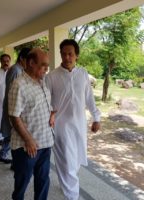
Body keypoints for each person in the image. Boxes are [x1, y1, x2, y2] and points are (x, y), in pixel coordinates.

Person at [45, 39, 101, 200]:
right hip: (60, 126)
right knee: (67, 162)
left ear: (76, 55)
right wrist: (50, 115)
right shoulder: (52, 77)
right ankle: (73, 196)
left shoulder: (83, 74)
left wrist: (96, 118)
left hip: (79, 124)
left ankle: (66, 185)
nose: (66, 57)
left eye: (70, 54)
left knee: (75, 161)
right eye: (63, 54)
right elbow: (46, 101)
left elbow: (89, 98)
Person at [8, 48, 54, 200]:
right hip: (26, 147)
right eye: (43, 65)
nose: (47, 69)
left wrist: (51, 114)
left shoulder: (42, 82)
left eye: (47, 65)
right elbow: (14, 116)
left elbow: (41, 105)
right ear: (31, 63)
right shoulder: (19, 85)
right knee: (22, 184)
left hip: (45, 142)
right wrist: (28, 140)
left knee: (43, 181)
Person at [0, 47, 31, 164]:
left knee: (12, 133)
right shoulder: (16, 70)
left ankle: (3, 154)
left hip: (14, 107)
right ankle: (9, 158)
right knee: (14, 133)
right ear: (22, 58)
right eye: (29, 59)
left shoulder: (19, 69)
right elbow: (14, 92)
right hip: (13, 107)